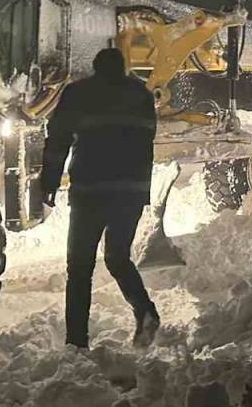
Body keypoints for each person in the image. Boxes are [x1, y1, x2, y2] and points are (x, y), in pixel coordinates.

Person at [40, 48, 162, 349]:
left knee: (79, 267)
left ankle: (76, 342)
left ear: (96, 68)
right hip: (131, 191)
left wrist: (49, 181)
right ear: (124, 68)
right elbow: (146, 139)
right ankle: (145, 310)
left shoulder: (79, 93)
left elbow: (58, 140)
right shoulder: (142, 95)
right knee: (117, 257)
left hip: (90, 192)